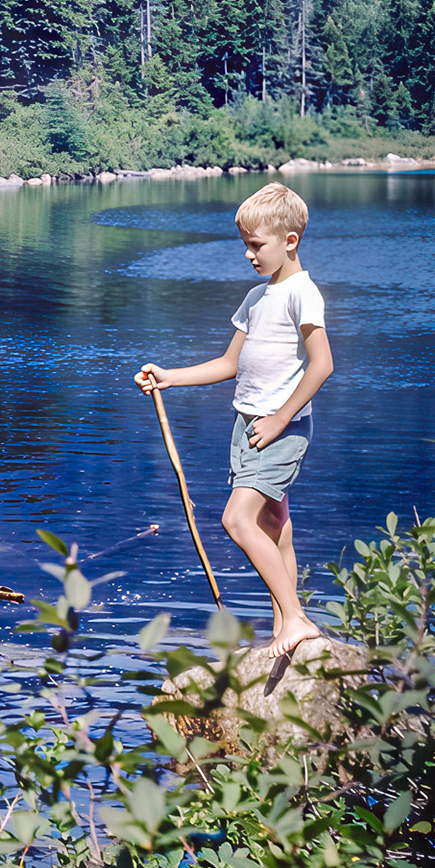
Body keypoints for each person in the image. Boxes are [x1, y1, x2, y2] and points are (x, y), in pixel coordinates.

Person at [133, 182, 334, 657]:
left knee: (237, 519)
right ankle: (283, 625)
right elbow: (229, 364)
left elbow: (322, 365)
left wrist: (281, 419)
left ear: (290, 241)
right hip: (248, 427)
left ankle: (297, 619)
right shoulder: (257, 297)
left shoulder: (302, 293)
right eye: (245, 244)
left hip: (278, 428)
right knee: (274, 524)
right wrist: (170, 378)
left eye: (256, 244)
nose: (248, 254)